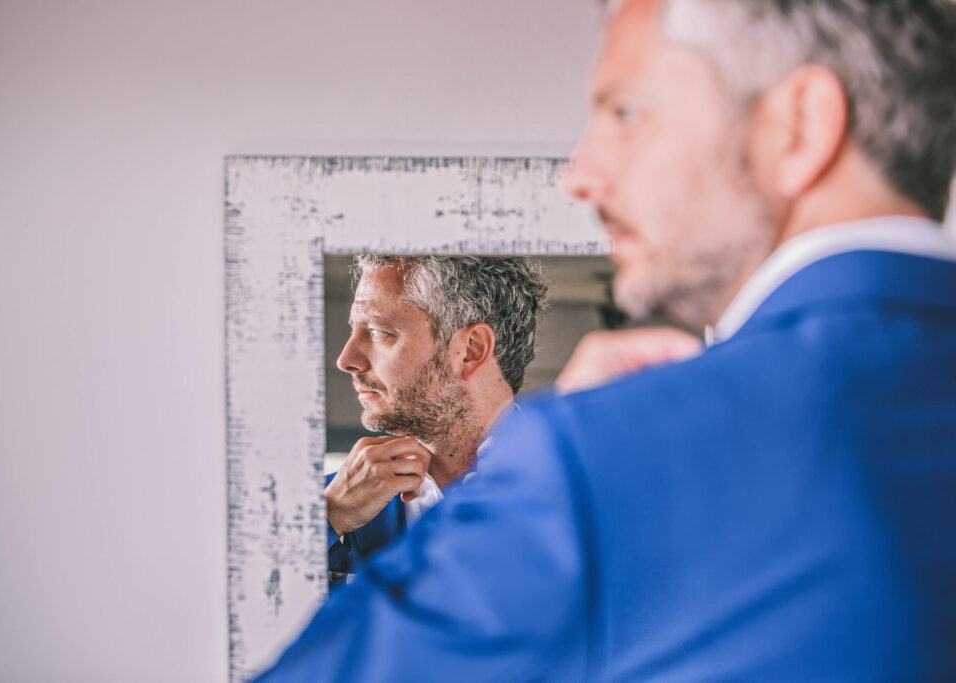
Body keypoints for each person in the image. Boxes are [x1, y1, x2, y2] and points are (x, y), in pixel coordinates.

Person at [255, 0, 956, 679]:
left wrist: (571, 454)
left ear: (798, 127)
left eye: (626, 112)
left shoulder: (603, 454)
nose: (580, 174)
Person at [325, 254, 548, 584]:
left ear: (470, 350)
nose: (347, 360)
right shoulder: (319, 508)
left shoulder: (588, 496)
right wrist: (328, 519)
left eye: (377, 331)